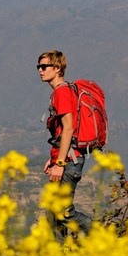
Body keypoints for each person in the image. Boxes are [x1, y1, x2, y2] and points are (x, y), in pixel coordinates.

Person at [38, 50, 93, 241]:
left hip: (69, 161)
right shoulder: (62, 91)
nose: (40, 70)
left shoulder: (61, 91)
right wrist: (53, 159)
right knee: (53, 214)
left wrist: (59, 163)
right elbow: (63, 133)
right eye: (39, 66)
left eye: (44, 66)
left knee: (63, 211)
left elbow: (68, 128)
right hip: (66, 157)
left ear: (57, 68)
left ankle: (100, 235)